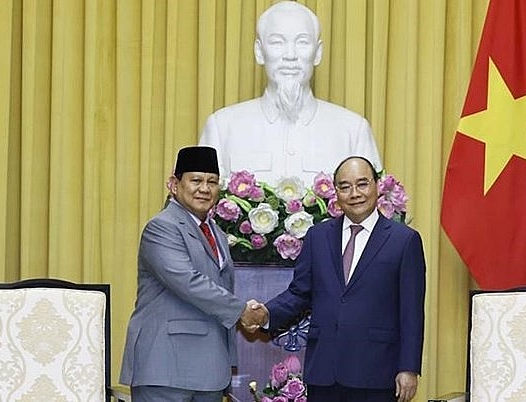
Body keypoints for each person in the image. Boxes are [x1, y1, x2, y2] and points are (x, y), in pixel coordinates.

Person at [251, 156, 426, 402]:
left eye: (362, 184)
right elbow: (300, 293)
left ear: (377, 186)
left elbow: (411, 311)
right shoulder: (317, 236)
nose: (354, 193)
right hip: (324, 372)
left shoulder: (404, 240)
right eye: (345, 186)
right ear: (336, 193)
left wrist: (408, 367)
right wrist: (266, 314)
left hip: (376, 372)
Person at [119, 146, 266, 402]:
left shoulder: (217, 233)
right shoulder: (162, 227)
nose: (204, 189)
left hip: (209, 370)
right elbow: (188, 281)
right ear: (174, 184)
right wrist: (242, 310)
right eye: (195, 180)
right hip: (166, 367)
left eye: (212, 182)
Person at [198, 1, 382, 185]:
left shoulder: (352, 130)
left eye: (302, 42)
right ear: (259, 51)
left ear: (317, 52)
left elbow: (373, 204)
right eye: (277, 42)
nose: (290, 55)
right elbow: (198, 203)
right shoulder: (222, 127)